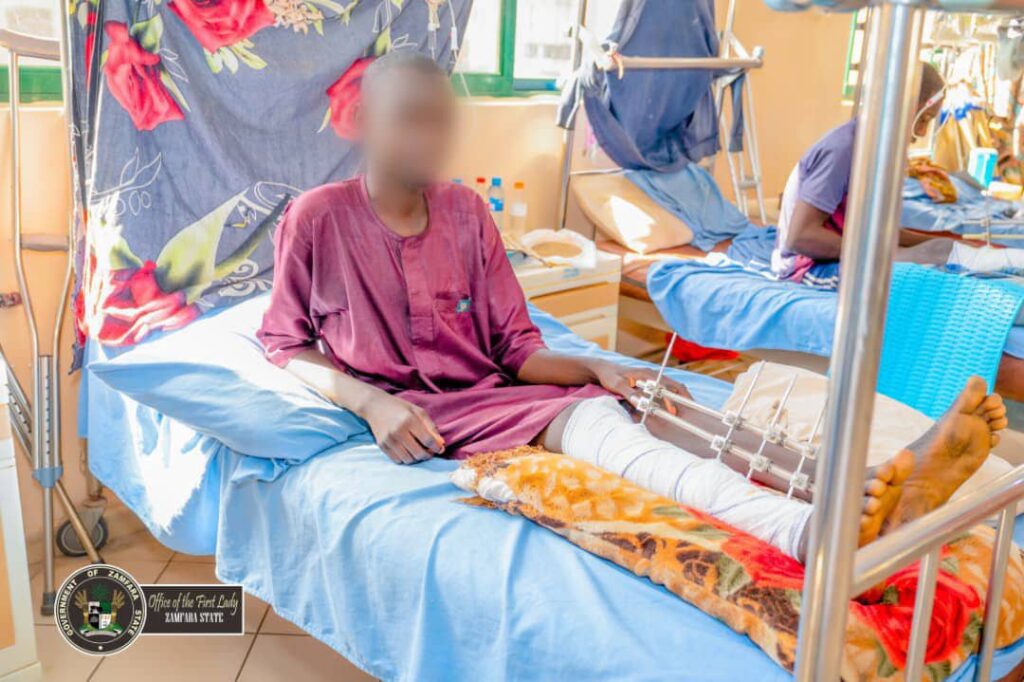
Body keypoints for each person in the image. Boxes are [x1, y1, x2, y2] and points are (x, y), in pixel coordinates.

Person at [258, 52, 1008, 561]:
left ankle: (862, 486)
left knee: (655, 397)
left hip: (501, 390)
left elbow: (516, 348)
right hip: (434, 415)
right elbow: (284, 343)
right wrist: (370, 403)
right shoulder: (319, 218)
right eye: (411, 117)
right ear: (368, 122)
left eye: (442, 119)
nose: (432, 136)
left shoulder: (465, 212)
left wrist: (598, 366)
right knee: (601, 428)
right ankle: (808, 532)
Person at [773, 62, 1024, 284]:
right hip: (809, 266)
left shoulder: (874, 149)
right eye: (923, 119)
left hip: (844, 251)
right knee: (931, 262)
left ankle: (1004, 261)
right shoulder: (843, 149)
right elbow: (801, 237)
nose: (922, 132)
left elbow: (884, 233)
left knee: (941, 247)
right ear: (902, 106)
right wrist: (879, 252)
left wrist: (955, 243)